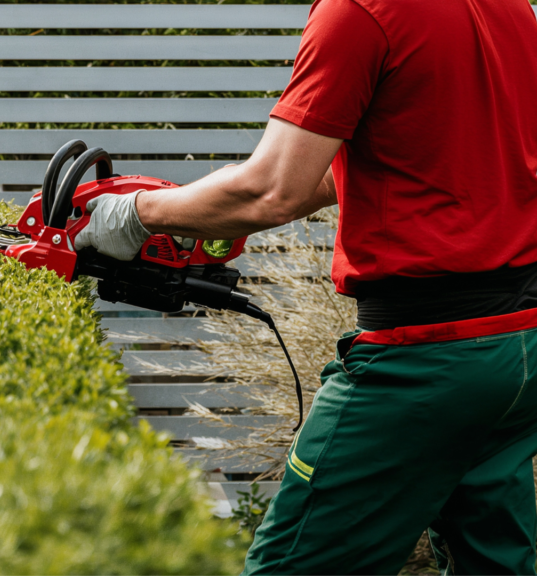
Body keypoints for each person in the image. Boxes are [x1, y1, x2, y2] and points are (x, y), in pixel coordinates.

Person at [73, 0, 537, 572]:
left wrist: (136, 214)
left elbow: (273, 192)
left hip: (425, 359)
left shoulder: (360, 12)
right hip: (518, 349)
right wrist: (204, 200)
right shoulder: (511, 10)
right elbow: (400, 159)